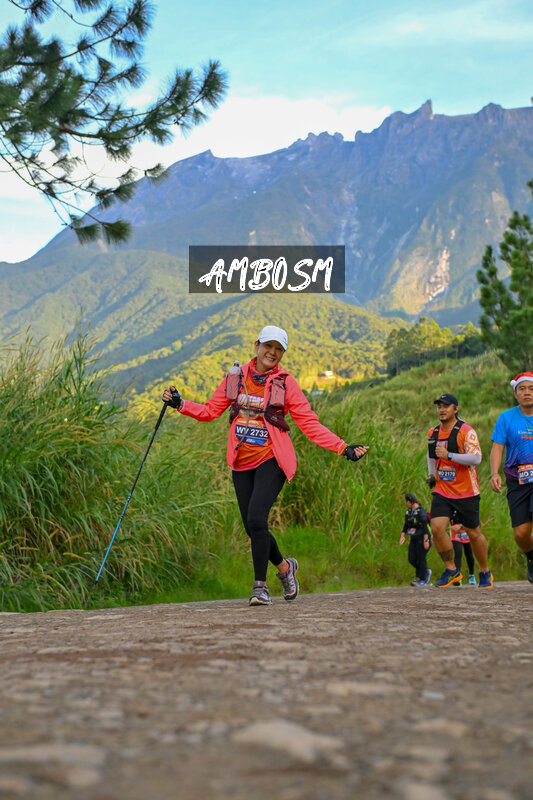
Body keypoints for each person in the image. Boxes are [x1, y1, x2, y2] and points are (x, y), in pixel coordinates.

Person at [162, 325, 369, 606]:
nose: (272, 352)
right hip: (241, 461)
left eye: (279, 349)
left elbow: (309, 423)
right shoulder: (236, 377)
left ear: (282, 353)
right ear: (257, 345)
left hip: (272, 459)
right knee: (252, 527)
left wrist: (343, 448)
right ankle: (285, 568)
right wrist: (180, 403)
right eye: (268, 346)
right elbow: (210, 411)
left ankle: (260, 587)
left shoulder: (285, 383)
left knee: (257, 519)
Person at [426, 392, 493, 588]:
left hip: (466, 491)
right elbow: (431, 455)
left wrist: (449, 455)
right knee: (437, 529)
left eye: (446, 406)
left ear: (456, 409)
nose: (441, 410)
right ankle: (451, 570)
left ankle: (485, 571)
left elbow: (476, 458)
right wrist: (432, 475)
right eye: (439, 406)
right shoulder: (433, 433)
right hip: (443, 489)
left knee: (473, 533)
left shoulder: (466, 431)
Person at [489, 372, 533, 583]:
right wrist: (494, 473)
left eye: (531, 389)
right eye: (522, 389)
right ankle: (531, 556)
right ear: (515, 393)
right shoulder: (506, 417)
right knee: (521, 534)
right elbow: (497, 448)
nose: (527, 392)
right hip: (517, 480)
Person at [399, 493, 432, 587]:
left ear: (410, 501)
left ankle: (423, 580)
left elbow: (425, 526)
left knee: (421, 558)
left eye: (406, 502)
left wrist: (426, 540)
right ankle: (425, 571)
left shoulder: (421, 512)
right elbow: (406, 525)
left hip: (423, 537)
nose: (406, 503)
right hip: (413, 538)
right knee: (412, 559)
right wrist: (402, 535)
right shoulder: (409, 512)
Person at [450, 515, 476, 585]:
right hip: (455, 535)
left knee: (469, 555)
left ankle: (471, 574)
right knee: (458, 554)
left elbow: (473, 520)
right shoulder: (452, 510)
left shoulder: (467, 510)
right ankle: (457, 577)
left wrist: (461, 525)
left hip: (467, 534)